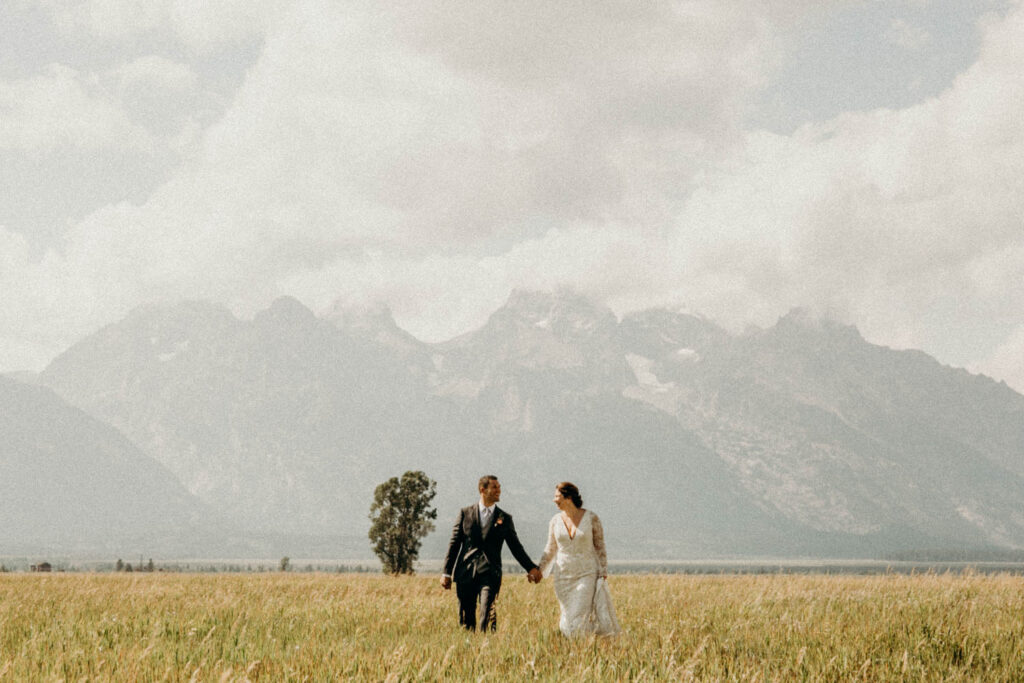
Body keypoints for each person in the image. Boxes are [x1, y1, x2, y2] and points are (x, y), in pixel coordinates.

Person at [441, 475, 543, 631]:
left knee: (488, 617)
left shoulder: (505, 518)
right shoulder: (465, 513)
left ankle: (486, 648)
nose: (499, 490)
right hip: (465, 573)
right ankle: (469, 651)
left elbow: (516, 547)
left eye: (499, 487)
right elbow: (454, 544)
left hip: (490, 574)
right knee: (466, 621)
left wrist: (531, 568)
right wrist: (447, 573)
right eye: (495, 487)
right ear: (483, 489)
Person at [537, 482, 621, 637]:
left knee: (579, 615)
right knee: (567, 617)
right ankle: (576, 650)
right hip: (563, 577)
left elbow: (600, 547)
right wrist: (539, 570)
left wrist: (602, 572)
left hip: (586, 574)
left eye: (557, 496)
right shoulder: (555, 521)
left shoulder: (591, 518)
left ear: (568, 497)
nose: (554, 500)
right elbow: (550, 549)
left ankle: (582, 646)